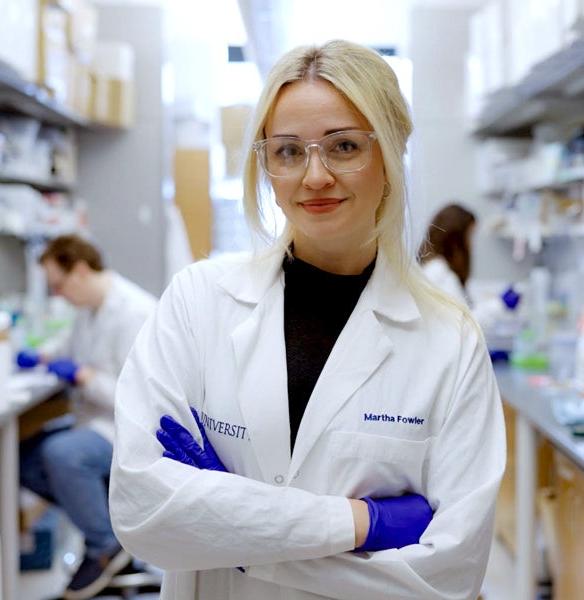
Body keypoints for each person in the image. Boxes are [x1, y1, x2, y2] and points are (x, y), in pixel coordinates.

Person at [109, 40, 506, 600]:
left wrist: (227, 534)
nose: (314, 176)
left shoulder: (450, 339)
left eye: (344, 146)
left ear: (391, 156)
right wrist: (363, 523)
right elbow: (141, 512)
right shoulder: (198, 303)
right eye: (289, 151)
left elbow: (448, 576)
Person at [16, 234, 158, 599]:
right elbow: (69, 347)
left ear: (79, 270)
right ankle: (113, 530)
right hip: (95, 421)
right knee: (24, 460)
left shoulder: (133, 312)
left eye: (59, 285)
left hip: (132, 430)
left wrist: (83, 376)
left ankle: (104, 545)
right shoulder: (89, 309)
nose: (58, 294)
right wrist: (40, 355)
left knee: (62, 454)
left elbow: (142, 401)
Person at [418, 202, 476, 307]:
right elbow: (461, 320)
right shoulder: (438, 271)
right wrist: (498, 306)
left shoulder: (434, 266)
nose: (471, 244)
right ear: (455, 239)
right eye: (469, 236)